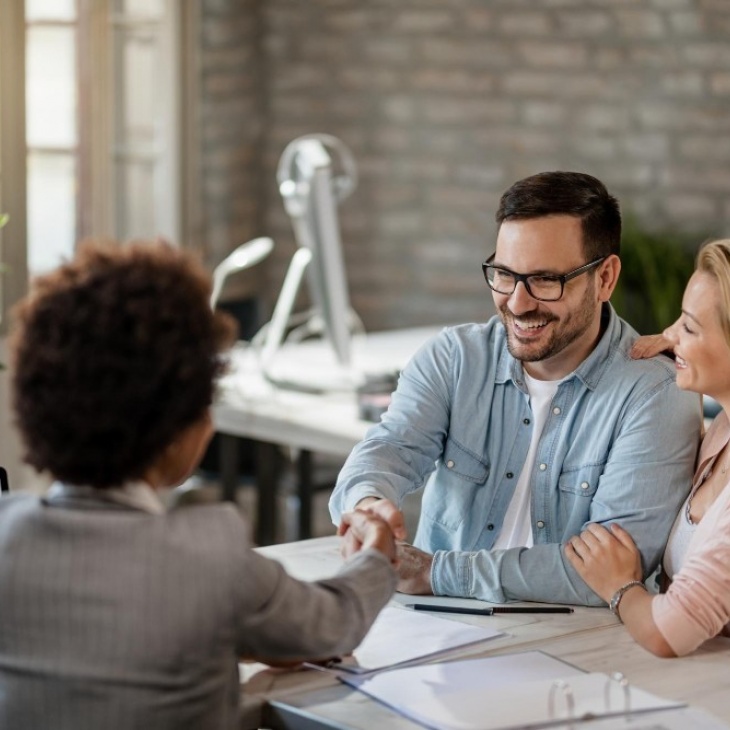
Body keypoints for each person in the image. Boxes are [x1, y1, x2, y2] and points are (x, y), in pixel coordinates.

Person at [0, 240, 397, 729]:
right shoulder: (211, 555)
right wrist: (376, 556)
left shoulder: (7, 533)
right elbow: (334, 625)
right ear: (176, 429)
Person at [330, 171, 702, 606]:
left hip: (571, 647)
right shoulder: (455, 358)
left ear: (605, 278)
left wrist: (435, 572)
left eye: (545, 280)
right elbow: (388, 449)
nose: (518, 303)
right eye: (505, 275)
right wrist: (367, 504)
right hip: (436, 626)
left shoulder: (655, 395)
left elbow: (610, 576)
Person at [567, 239, 730, 656]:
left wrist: (621, 586)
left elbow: (667, 634)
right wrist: (685, 348)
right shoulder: (722, 427)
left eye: (689, 327)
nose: (670, 335)